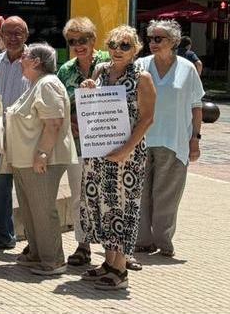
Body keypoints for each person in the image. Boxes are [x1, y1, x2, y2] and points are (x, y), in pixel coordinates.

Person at [77, 25, 157, 291]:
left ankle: (121, 270)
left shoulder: (142, 77)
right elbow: (93, 107)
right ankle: (109, 262)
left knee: (123, 208)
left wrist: (126, 149)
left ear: (135, 49)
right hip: (99, 151)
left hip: (127, 155)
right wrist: (88, 88)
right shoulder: (101, 71)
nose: (117, 50)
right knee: (101, 206)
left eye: (124, 45)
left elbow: (147, 119)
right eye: (113, 44)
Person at [0, 43, 77, 276]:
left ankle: (53, 259)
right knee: (30, 209)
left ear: (36, 62)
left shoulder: (48, 83)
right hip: (25, 161)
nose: (21, 58)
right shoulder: (35, 84)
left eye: (25, 55)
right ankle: (36, 252)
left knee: (42, 209)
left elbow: (53, 122)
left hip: (42, 160)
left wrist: (42, 153)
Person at [134, 19, 203, 262]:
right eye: (150, 38)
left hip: (174, 139)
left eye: (158, 39)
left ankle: (163, 240)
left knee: (167, 194)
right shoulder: (140, 65)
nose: (152, 43)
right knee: (140, 192)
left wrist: (195, 138)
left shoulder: (187, 68)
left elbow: (196, 106)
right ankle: (142, 241)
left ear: (173, 41)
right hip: (141, 139)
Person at [56, 16, 107, 267]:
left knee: (109, 197)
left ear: (93, 39)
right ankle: (82, 245)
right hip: (76, 144)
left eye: (83, 39)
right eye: (72, 41)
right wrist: (69, 119)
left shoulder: (110, 63)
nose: (78, 45)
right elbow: (59, 104)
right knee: (79, 196)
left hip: (109, 143)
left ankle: (116, 252)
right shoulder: (65, 70)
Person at [0, 16, 30, 251]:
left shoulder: (36, 63)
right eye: (7, 33)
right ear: (0, 34)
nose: (12, 38)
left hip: (26, 138)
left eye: (18, 33)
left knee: (29, 191)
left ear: (26, 35)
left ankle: (34, 241)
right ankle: (5, 235)